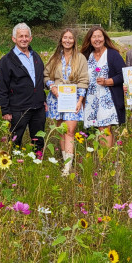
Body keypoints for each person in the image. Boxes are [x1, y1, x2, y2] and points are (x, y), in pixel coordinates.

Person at [44, 28, 89, 175]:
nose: (67, 40)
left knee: (70, 131)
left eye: (70, 38)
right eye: (65, 37)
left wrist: (80, 100)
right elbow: (46, 76)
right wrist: (52, 86)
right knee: (61, 131)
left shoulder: (80, 58)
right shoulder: (55, 57)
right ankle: (65, 162)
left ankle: (68, 167)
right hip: (57, 99)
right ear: (61, 40)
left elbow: (84, 80)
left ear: (74, 40)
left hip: (73, 98)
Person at [0, 23, 46, 151]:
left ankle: (37, 163)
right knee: (14, 140)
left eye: (26, 36)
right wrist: (5, 110)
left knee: (38, 140)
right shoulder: (7, 60)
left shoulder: (36, 57)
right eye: (20, 36)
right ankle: (13, 167)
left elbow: (39, 80)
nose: (24, 39)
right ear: (14, 39)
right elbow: (2, 87)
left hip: (38, 107)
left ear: (31, 38)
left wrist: (43, 99)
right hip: (19, 108)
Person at [81, 26, 126, 147]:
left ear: (104, 38)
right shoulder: (86, 56)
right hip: (90, 100)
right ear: (89, 39)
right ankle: (95, 158)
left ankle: (106, 159)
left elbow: (123, 74)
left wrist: (108, 81)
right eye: (94, 36)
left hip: (107, 100)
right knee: (91, 129)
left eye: (99, 36)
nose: (97, 39)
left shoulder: (112, 55)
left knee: (104, 128)